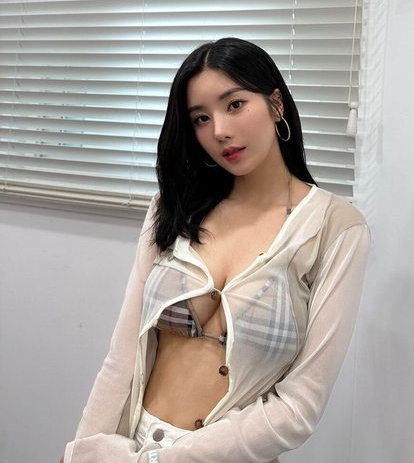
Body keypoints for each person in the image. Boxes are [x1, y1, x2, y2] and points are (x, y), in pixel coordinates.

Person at [60, 37, 370, 463]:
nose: (219, 130)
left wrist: (160, 462)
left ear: (275, 104)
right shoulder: (173, 208)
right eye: (201, 118)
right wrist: (82, 450)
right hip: (130, 447)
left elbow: (299, 408)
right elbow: (123, 358)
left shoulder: (336, 228)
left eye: (235, 104)